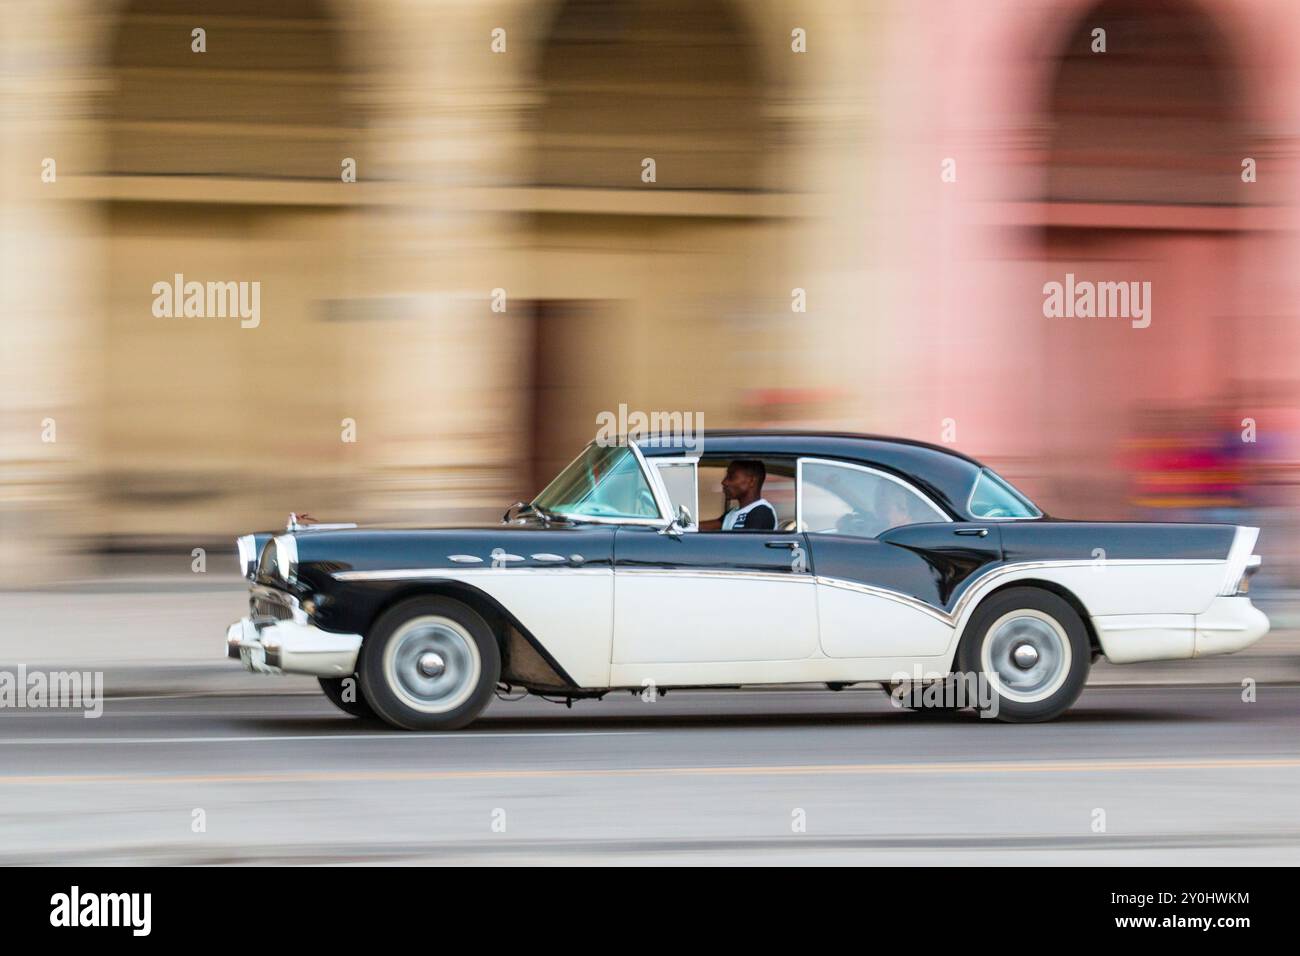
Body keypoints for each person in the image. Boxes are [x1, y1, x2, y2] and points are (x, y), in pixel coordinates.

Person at [699, 460, 778, 531]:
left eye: (731, 477)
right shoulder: (732, 513)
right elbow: (704, 527)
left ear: (751, 481)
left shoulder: (761, 512)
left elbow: (746, 545)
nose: (724, 482)